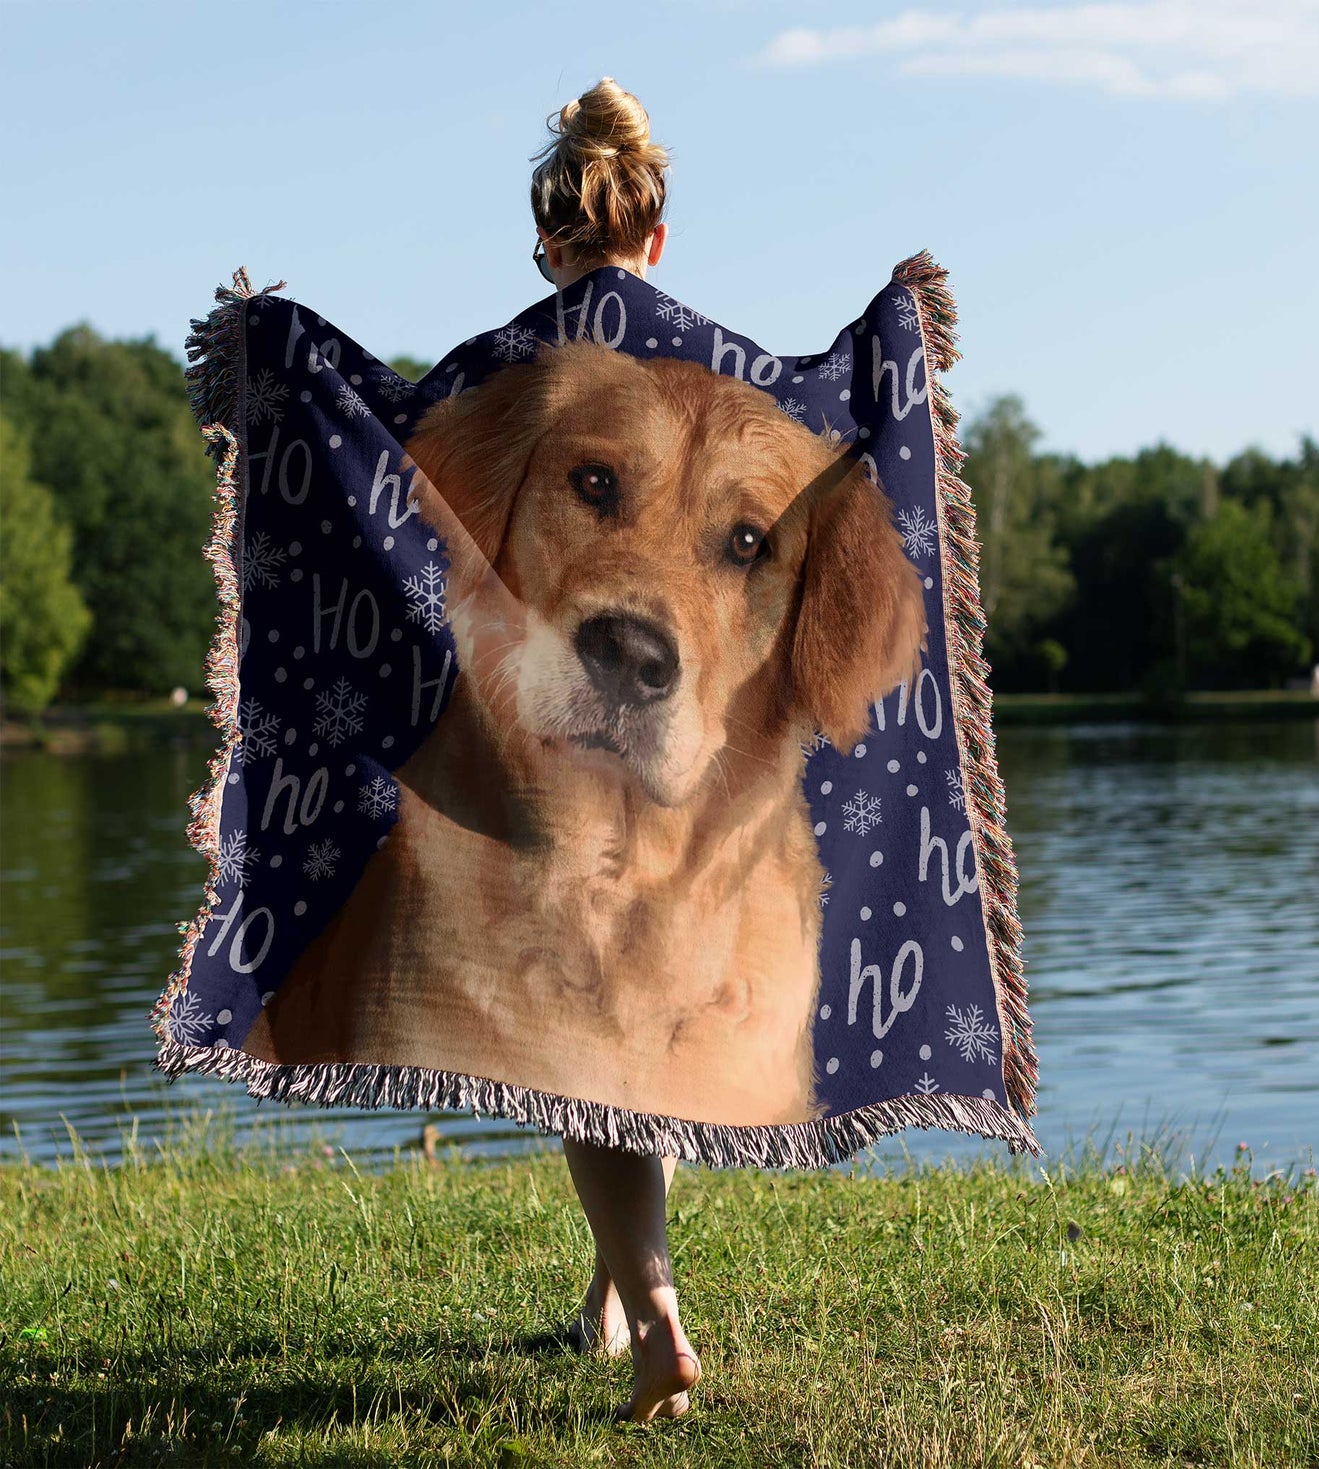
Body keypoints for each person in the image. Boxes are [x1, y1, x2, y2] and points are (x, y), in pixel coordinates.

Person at [527, 76, 700, 1425]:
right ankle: (606, 1294)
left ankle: (654, 1315)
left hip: (565, 728)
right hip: (688, 737)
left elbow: (403, 501)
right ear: (654, 231)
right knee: (635, 1015)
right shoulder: (715, 363)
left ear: (549, 242)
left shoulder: (516, 364)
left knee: (579, 1037)